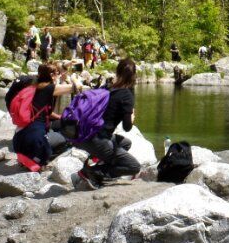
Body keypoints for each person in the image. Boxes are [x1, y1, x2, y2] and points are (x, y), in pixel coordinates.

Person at [77, 58, 141, 189]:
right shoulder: (127, 95)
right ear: (134, 75)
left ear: (117, 71)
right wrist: (132, 115)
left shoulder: (107, 88)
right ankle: (93, 173)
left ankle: (96, 163)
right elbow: (127, 127)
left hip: (82, 133)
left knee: (125, 143)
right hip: (97, 140)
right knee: (134, 166)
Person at [11, 63, 77, 172]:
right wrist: (73, 78)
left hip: (20, 137)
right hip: (32, 140)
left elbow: (46, 112)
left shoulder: (35, 86)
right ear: (52, 75)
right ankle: (40, 162)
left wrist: (61, 117)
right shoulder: (49, 88)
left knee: (60, 124)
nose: (60, 76)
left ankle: (29, 157)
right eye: (58, 73)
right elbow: (76, 87)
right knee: (67, 139)